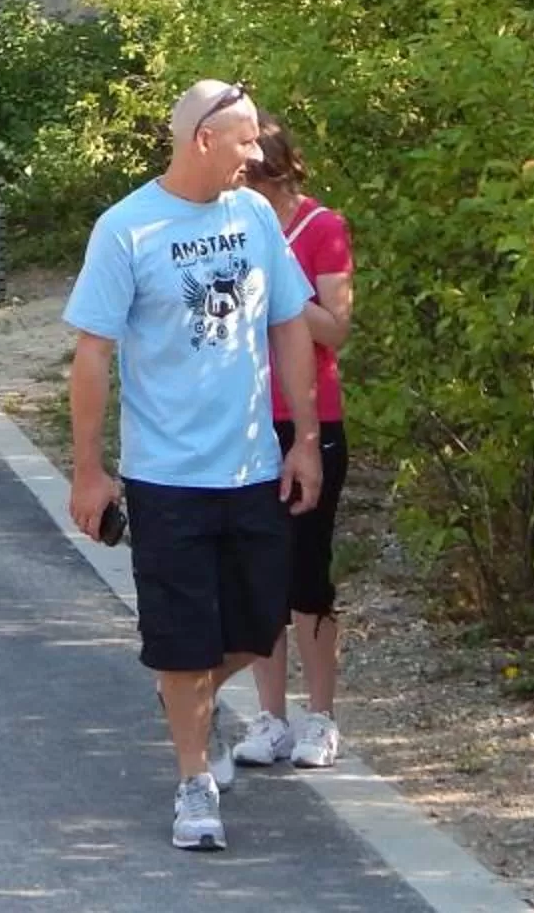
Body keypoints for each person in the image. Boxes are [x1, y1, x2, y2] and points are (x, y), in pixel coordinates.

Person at [64, 79, 324, 854]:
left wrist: (304, 438)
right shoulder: (128, 228)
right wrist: (88, 469)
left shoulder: (252, 216)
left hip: (252, 465)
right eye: (246, 140)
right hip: (167, 476)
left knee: (261, 618)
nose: (257, 154)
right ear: (202, 140)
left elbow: (289, 325)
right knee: (181, 637)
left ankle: (188, 699)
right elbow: (92, 354)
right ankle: (193, 783)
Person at [230, 116, 355, 772]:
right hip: (244, 419)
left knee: (308, 572)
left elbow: (335, 328)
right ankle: (271, 717)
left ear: (269, 174)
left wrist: (277, 285)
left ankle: (321, 718)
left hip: (309, 420)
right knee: (257, 573)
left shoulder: (321, 228)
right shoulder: (233, 230)